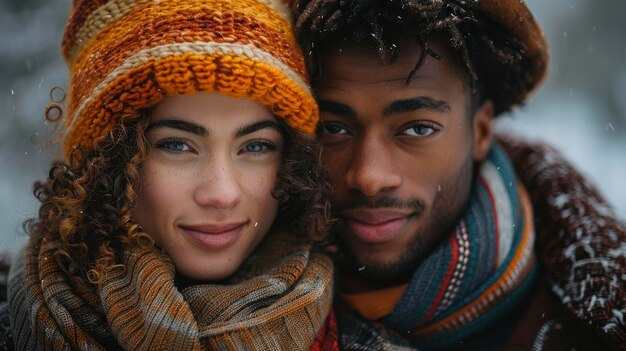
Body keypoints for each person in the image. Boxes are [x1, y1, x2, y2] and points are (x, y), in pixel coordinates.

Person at [0, 0, 341, 349]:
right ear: (107, 162)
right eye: (177, 146)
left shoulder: (361, 326)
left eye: (255, 147)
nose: (223, 194)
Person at [292, 0, 626, 350]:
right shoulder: (249, 309)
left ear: (480, 132)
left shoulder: (588, 328)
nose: (369, 177)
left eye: (418, 129)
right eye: (333, 128)